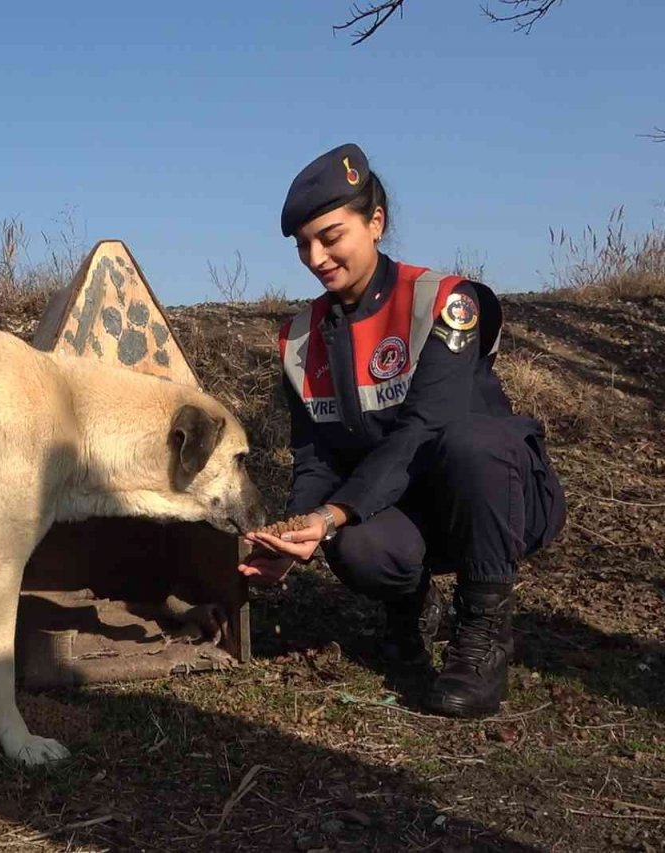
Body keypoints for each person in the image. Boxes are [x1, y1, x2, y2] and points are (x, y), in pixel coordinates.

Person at [239, 142, 566, 718]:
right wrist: (295, 534)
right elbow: (315, 458)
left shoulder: (445, 301)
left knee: (473, 443)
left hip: (494, 500)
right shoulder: (297, 337)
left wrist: (330, 515)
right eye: (303, 244)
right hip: (401, 509)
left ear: (376, 222)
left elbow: (424, 427)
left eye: (331, 235)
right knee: (360, 548)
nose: (316, 256)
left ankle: (484, 632)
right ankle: (410, 610)